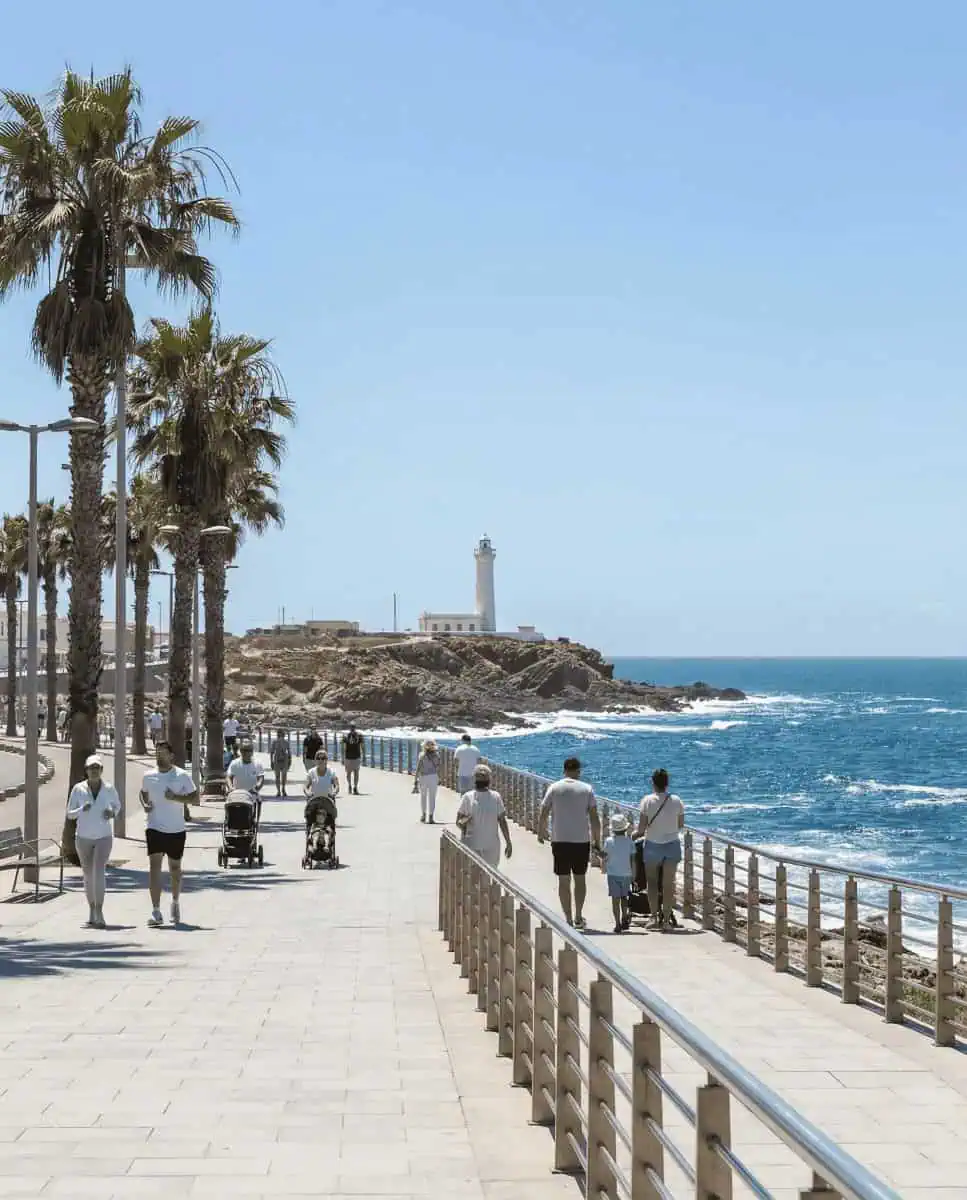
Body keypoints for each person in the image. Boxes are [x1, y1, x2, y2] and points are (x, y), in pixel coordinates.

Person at [538, 756, 601, 930]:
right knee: (580, 879)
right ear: (578, 771)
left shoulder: (554, 787)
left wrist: (541, 831)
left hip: (559, 840)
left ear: (564, 770)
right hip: (581, 840)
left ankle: (568, 919)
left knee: (563, 880)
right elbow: (595, 818)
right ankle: (579, 915)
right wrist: (597, 841)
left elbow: (544, 811)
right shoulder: (587, 789)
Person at [140, 739, 198, 928]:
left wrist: (176, 797)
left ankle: (175, 902)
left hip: (176, 829)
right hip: (154, 827)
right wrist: (145, 804)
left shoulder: (181, 775)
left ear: (171, 756)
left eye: (163, 752)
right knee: (154, 868)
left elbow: (195, 797)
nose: (159, 755)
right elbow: (143, 793)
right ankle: (156, 911)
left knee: (175, 870)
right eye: (157, 752)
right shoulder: (148, 776)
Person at [66, 754, 121, 929]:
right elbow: (70, 813)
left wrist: (111, 813)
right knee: (88, 874)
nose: (94, 771)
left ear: (102, 770)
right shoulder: (78, 789)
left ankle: (99, 910)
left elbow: (117, 806)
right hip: (83, 837)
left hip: (104, 836)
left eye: (97, 768)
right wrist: (82, 809)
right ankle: (91, 909)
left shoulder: (109, 788)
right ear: (86, 770)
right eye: (91, 768)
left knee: (99, 871)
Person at [634, 768, 685, 931]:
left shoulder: (647, 801)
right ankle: (666, 919)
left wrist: (631, 835)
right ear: (667, 783)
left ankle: (654, 916)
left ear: (653, 782)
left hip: (653, 845)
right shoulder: (676, 800)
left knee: (652, 883)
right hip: (672, 844)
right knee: (668, 884)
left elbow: (641, 829)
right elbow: (680, 824)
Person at [456, 763, 512, 867]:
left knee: (476, 878)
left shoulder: (468, 797)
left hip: (478, 845)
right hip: (483, 846)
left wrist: (465, 821)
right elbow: (502, 821)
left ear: (474, 780)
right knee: (488, 876)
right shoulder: (495, 797)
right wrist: (508, 842)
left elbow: (458, 823)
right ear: (489, 781)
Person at [602, 811, 635, 934]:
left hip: (613, 874)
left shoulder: (609, 841)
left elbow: (604, 856)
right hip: (626, 874)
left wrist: (596, 852)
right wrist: (634, 874)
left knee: (615, 899)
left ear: (613, 829)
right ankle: (624, 916)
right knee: (624, 898)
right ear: (625, 828)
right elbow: (633, 860)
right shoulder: (629, 841)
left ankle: (617, 924)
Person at [413, 739, 440, 824]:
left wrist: (415, 779)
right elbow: (439, 767)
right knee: (432, 797)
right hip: (433, 777)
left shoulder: (421, 755)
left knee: (423, 797)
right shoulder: (437, 755)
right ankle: (431, 817)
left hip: (423, 777)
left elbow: (418, 768)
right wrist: (440, 778)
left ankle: (424, 815)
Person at [341, 724, 365, 795]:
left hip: (357, 757)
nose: (352, 729)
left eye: (353, 728)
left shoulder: (359, 736)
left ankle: (355, 787)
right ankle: (349, 785)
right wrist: (343, 758)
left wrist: (363, 755)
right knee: (348, 774)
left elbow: (362, 746)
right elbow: (343, 747)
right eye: (351, 728)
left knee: (356, 773)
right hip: (348, 757)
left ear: (355, 728)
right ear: (349, 728)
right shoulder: (346, 737)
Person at [269, 729, 292, 796]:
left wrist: (290, 760)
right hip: (279, 759)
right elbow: (272, 752)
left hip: (283, 759)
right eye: (280, 734)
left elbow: (289, 751)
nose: (280, 735)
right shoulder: (275, 742)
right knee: (279, 776)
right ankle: (280, 790)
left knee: (281, 776)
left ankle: (282, 789)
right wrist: (271, 761)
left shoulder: (285, 742)